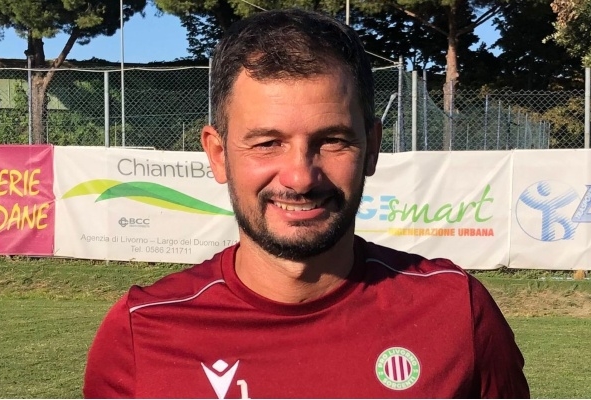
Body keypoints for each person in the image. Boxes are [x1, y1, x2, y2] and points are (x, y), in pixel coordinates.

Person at [83, 8, 529, 399]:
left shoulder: (456, 312)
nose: (300, 177)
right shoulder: (141, 332)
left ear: (372, 148)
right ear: (218, 155)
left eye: (332, 140)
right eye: (267, 143)